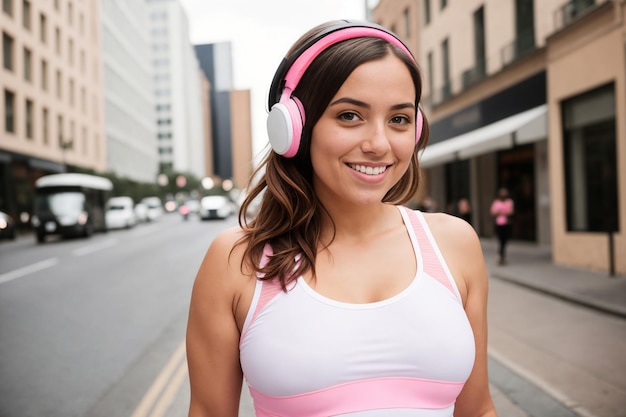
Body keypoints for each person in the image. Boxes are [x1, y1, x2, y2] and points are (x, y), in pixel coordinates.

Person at [186, 20, 498, 417]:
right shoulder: (236, 260)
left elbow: (479, 409)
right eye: (350, 116)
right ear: (294, 128)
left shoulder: (455, 243)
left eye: (399, 119)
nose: (379, 144)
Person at [490, 187, 514, 265]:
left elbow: (511, 212)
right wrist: (501, 212)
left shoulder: (509, 202)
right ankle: (501, 255)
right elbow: (493, 212)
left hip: (506, 223)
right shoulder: (496, 202)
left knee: (505, 240)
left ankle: (501, 255)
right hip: (499, 223)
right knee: (500, 240)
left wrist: (503, 212)